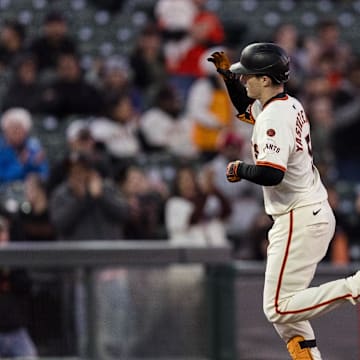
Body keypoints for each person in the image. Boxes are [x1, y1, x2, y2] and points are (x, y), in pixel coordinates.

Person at [207, 42, 360, 359]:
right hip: (309, 210)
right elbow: (245, 109)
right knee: (289, 316)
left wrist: (241, 169)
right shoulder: (287, 104)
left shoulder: (274, 117)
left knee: (277, 308)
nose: (243, 80)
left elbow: (272, 174)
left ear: (264, 79)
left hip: (298, 216)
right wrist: (227, 78)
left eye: (247, 75)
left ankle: (355, 287)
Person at [0, 215, 38, 358]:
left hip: (15, 331)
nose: (1, 237)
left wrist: (8, 268)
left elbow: (25, 285)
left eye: (3, 232)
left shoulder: (16, 259)